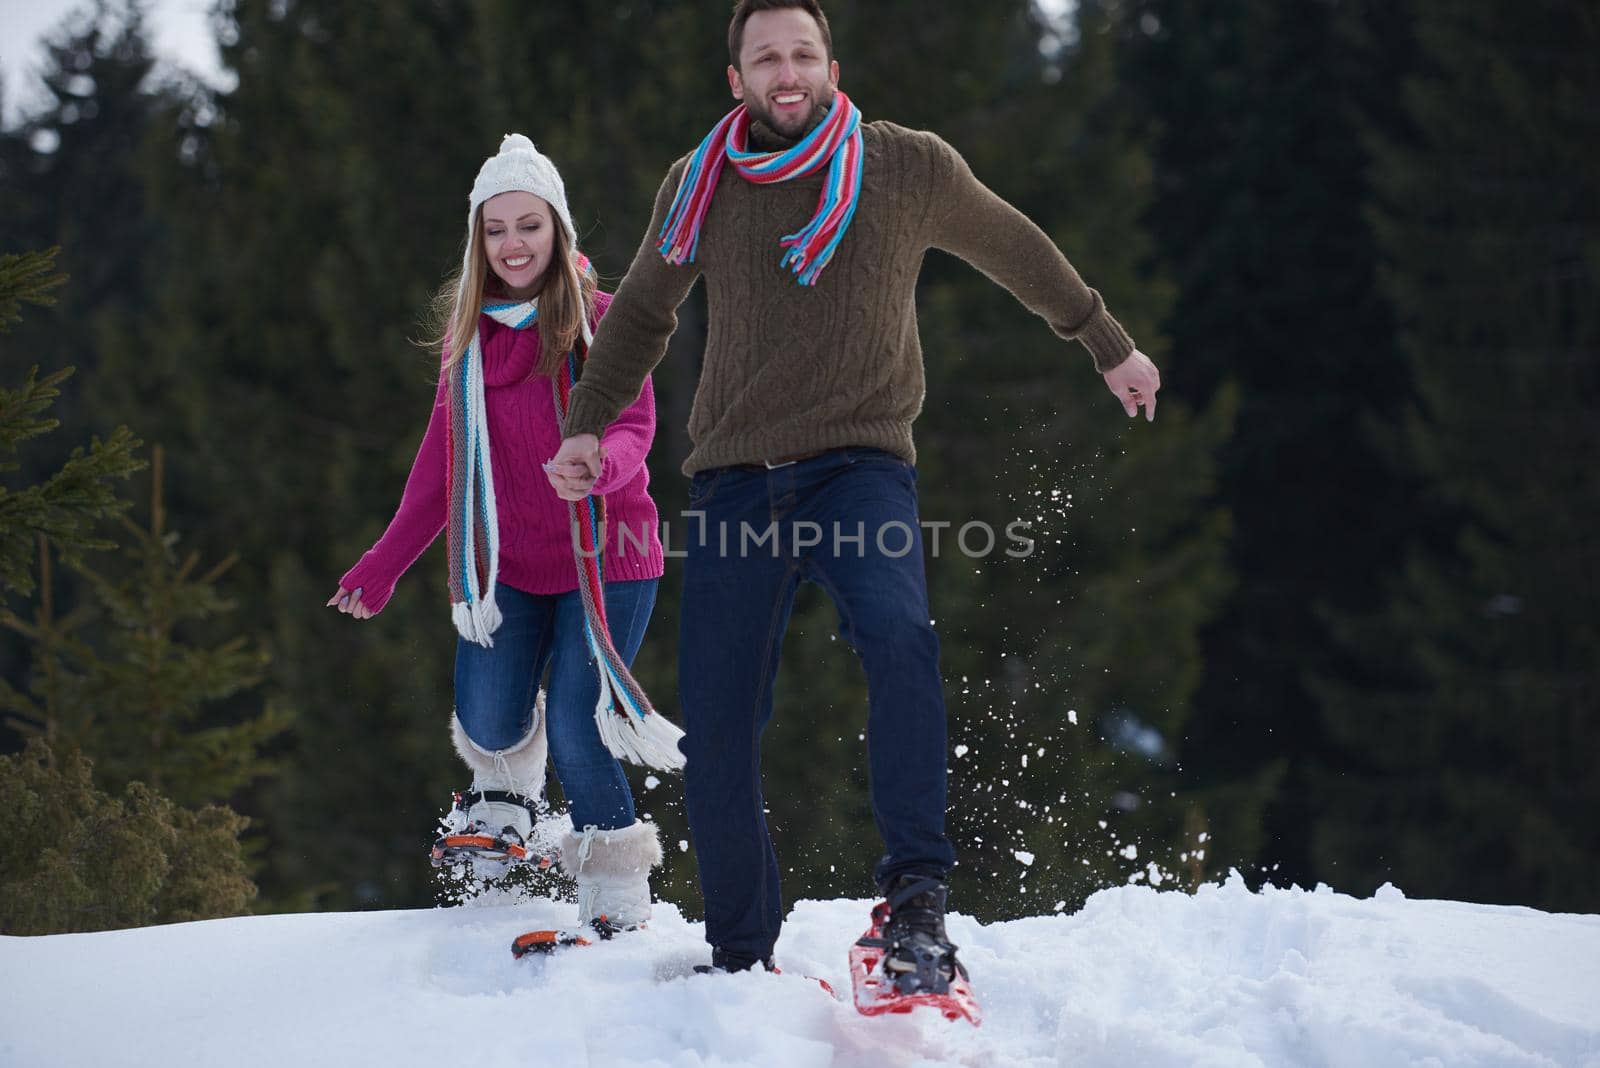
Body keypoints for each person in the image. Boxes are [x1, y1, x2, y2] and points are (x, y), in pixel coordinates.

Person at [548, 0, 1163, 982]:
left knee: (898, 638)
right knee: (716, 721)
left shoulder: (906, 166)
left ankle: (917, 905)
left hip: (859, 472)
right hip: (735, 486)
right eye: (765, 58)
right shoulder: (698, 184)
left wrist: (1107, 343)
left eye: (802, 54)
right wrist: (585, 425)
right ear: (736, 79)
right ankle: (740, 952)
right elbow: (641, 319)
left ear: (831, 63)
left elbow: (1015, 247)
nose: (785, 72)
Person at [329, 134, 673, 935]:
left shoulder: (601, 323)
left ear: (558, 230)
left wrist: (597, 466)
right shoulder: (467, 345)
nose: (513, 244)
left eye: (529, 225)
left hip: (607, 559)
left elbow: (637, 426)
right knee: (487, 718)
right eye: (496, 230)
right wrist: (383, 565)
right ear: (478, 241)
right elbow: (439, 470)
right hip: (509, 568)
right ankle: (510, 806)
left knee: (581, 722)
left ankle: (617, 901)